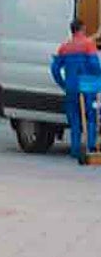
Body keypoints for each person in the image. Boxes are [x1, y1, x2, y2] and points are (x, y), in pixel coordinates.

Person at [51, 18, 101, 162]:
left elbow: (55, 69)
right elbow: (95, 65)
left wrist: (63, 84)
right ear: (82, 29)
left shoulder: (64, 47)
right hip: (88, 87)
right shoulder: (88, 45)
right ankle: (91, 147)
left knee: (74, 119)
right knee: (91, 117)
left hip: (71, 88)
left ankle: (75, 150)